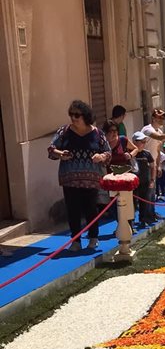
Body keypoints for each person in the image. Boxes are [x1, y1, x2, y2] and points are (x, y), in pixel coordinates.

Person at [48, 99, 111, 251]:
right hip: (70, 178)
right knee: (73, 209)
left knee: (91, 208)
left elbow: (108, 152)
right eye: (71, 115)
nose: (74, 118)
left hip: (91, 178)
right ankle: (75, 240)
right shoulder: (64, 132)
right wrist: (60, 153)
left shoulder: (97, 133)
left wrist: (101, 157)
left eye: (77, 115)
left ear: (85, 116)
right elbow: (51, 149)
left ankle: (93, 238)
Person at [132, 131, 156, 228]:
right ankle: (131, 222)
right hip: (133, 183)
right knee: (132, 204)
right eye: (142, 141)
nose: (144, 143)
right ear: (135, 142)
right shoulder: (130, 154)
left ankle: (143, 220)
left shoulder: (147, 154)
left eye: (144, 141)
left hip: (144, 182)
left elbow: (152, 166)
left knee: (144, 202)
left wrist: (152, 180)